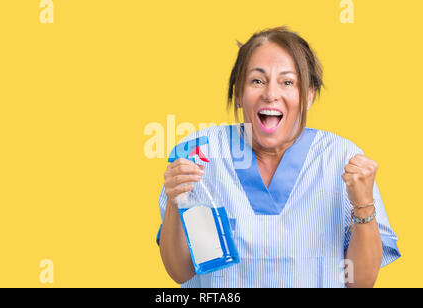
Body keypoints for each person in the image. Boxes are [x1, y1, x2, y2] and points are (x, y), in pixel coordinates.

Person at [156, 26, 400, 288]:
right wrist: (175, 201)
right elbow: (182, 273)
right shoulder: (200, 154)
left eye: (287, 82)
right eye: (257, 81)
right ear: (238, 93)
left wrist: (363, 203)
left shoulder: (341, 158)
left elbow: (361, 283)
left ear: (308, 95)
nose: (271, 94)